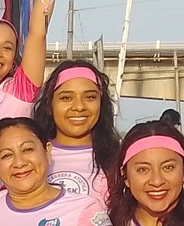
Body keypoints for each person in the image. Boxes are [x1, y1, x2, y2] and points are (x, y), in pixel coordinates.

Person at [34, 60, 120, 198]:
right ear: (49, 105)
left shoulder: (119, 159)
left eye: (90, 97)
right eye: (66, 98)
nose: (79, 107)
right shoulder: (32, 156)